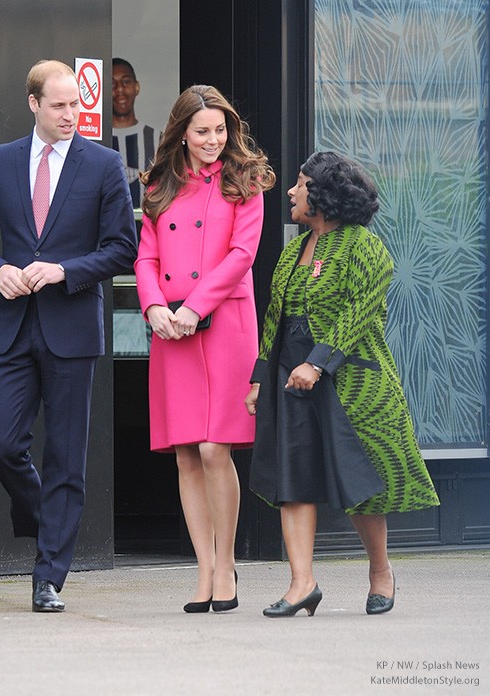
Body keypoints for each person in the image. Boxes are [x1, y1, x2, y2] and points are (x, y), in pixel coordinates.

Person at [0, 60, 137, 613]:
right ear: (34, 104)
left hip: (72, 328)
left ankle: (48, 576)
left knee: (66, 457)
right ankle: (48, 527)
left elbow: (122, 248)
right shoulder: (1, 161)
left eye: (76, 105)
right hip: (11, 326)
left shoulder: (104, 165)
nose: (71, 115)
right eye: (59, 105)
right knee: (3, 444)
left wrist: (66, 270)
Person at [245, 151, 440, 618]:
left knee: (361, 483)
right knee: (292, 479)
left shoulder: (364, 247)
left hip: (350, 382)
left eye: (300, 183)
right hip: (290, 377)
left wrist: (317, 364)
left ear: (325, 195)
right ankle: (302, 583)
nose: (290, 191)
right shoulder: (294, 250)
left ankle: (380, 571)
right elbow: (275, 317)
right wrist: (258, 378)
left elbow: (358, 316)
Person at [134, 85, 276, 613]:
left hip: (224, 324)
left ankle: (227, 563)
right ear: (182, 133)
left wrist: (195, 305)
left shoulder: (247, 181)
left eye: (220, 130)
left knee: (217, 448)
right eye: (202, 132)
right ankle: (204, 569)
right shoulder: (159, 184)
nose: (213, 140)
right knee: (186, 452)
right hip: (171, 326)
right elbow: (144, 257)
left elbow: (243, 254)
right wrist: (153, 308)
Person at [112, 58, 161, 209]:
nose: (120, 89)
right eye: (112, 84)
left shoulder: (159, 140)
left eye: (126, 82)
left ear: (136, 87)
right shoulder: (96, 141)